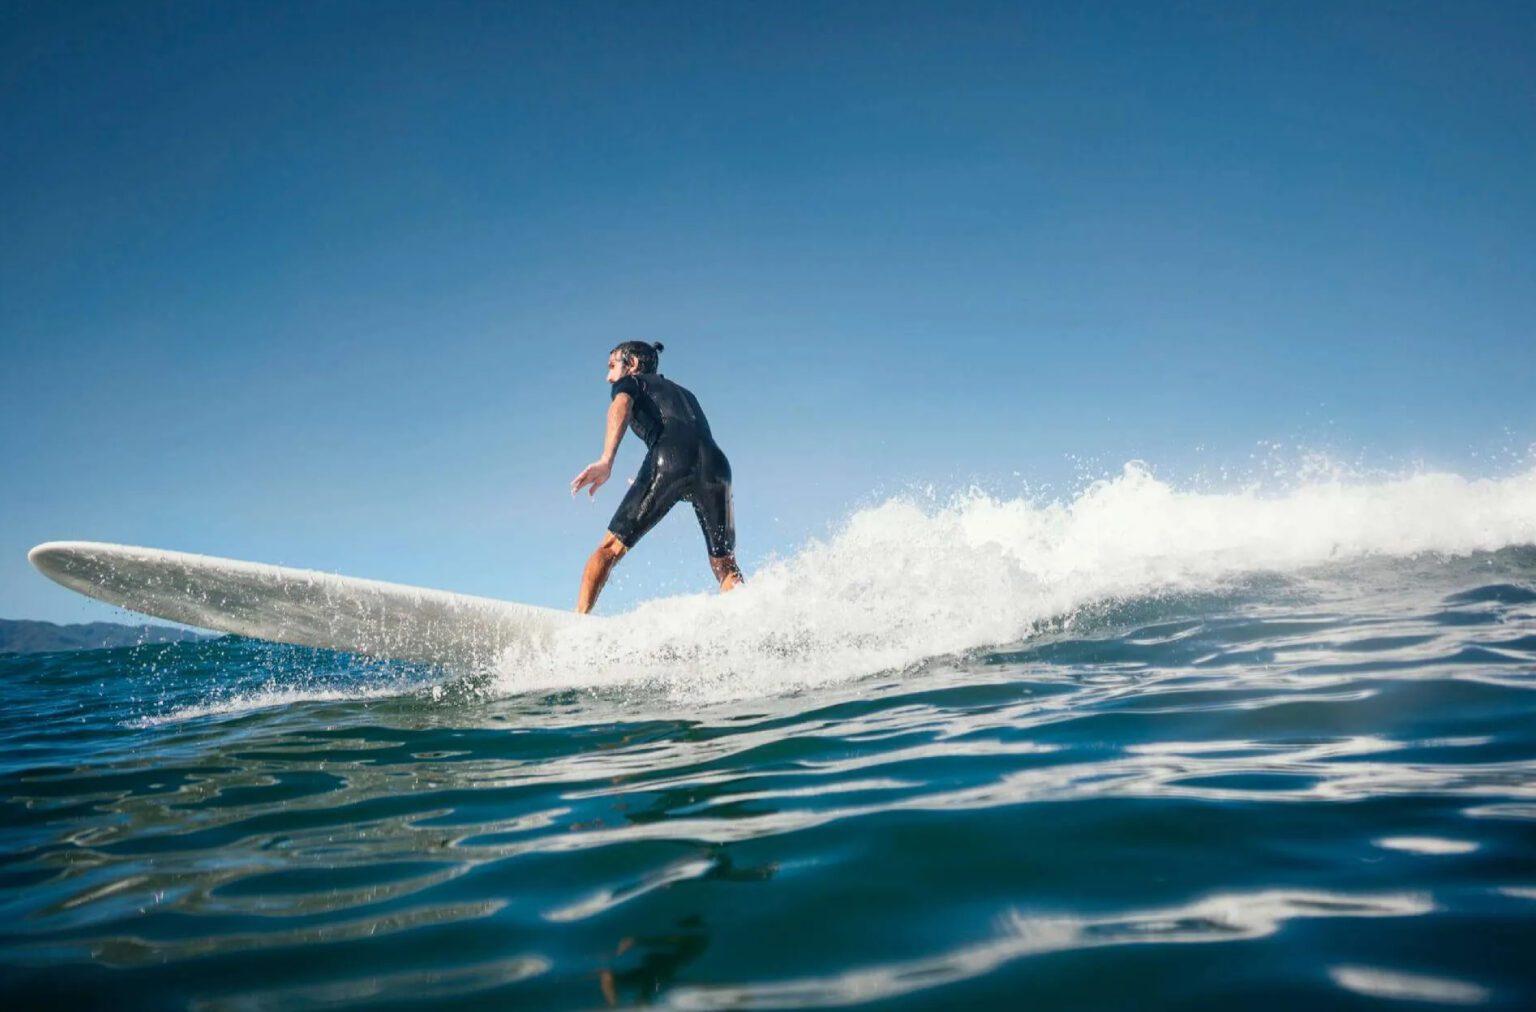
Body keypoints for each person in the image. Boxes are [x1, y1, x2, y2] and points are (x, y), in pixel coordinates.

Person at [570, 341, 743, 613]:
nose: (608, 377)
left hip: (670, 458)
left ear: (633, 365)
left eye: (612, 366)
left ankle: (578, 622)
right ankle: (747, 614)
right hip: (718, 466)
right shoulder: (686, 394)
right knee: (725, 565)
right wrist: (658, 479)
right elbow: (691, 458)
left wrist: (607, 460)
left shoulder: (631, 383)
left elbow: (622, 406)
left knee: (609, 549)